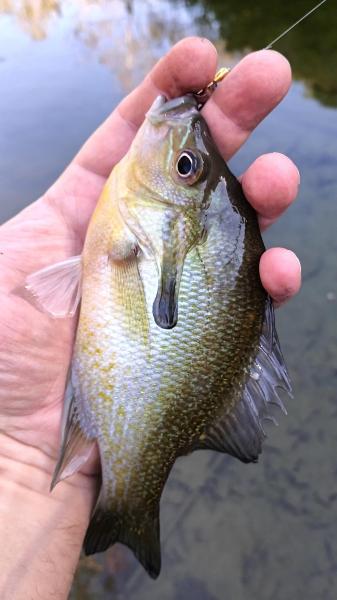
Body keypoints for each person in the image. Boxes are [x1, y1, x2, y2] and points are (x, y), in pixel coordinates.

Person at [0, 38, 301, 599]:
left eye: (184, 167)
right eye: (190, 164)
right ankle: (121, 500)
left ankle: (126, 502)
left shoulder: (123, 228)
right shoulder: (128, 225)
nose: (181, 150)